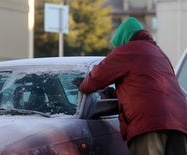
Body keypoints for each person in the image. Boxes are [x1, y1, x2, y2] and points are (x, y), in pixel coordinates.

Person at [77, 17, 187, 155]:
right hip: (180, 120)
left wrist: (82, 85)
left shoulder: (126, 51)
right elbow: (150, 87)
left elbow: (96, 77)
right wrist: (115, 94)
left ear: (123, 39)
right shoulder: (159, 53)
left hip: (149, 123)